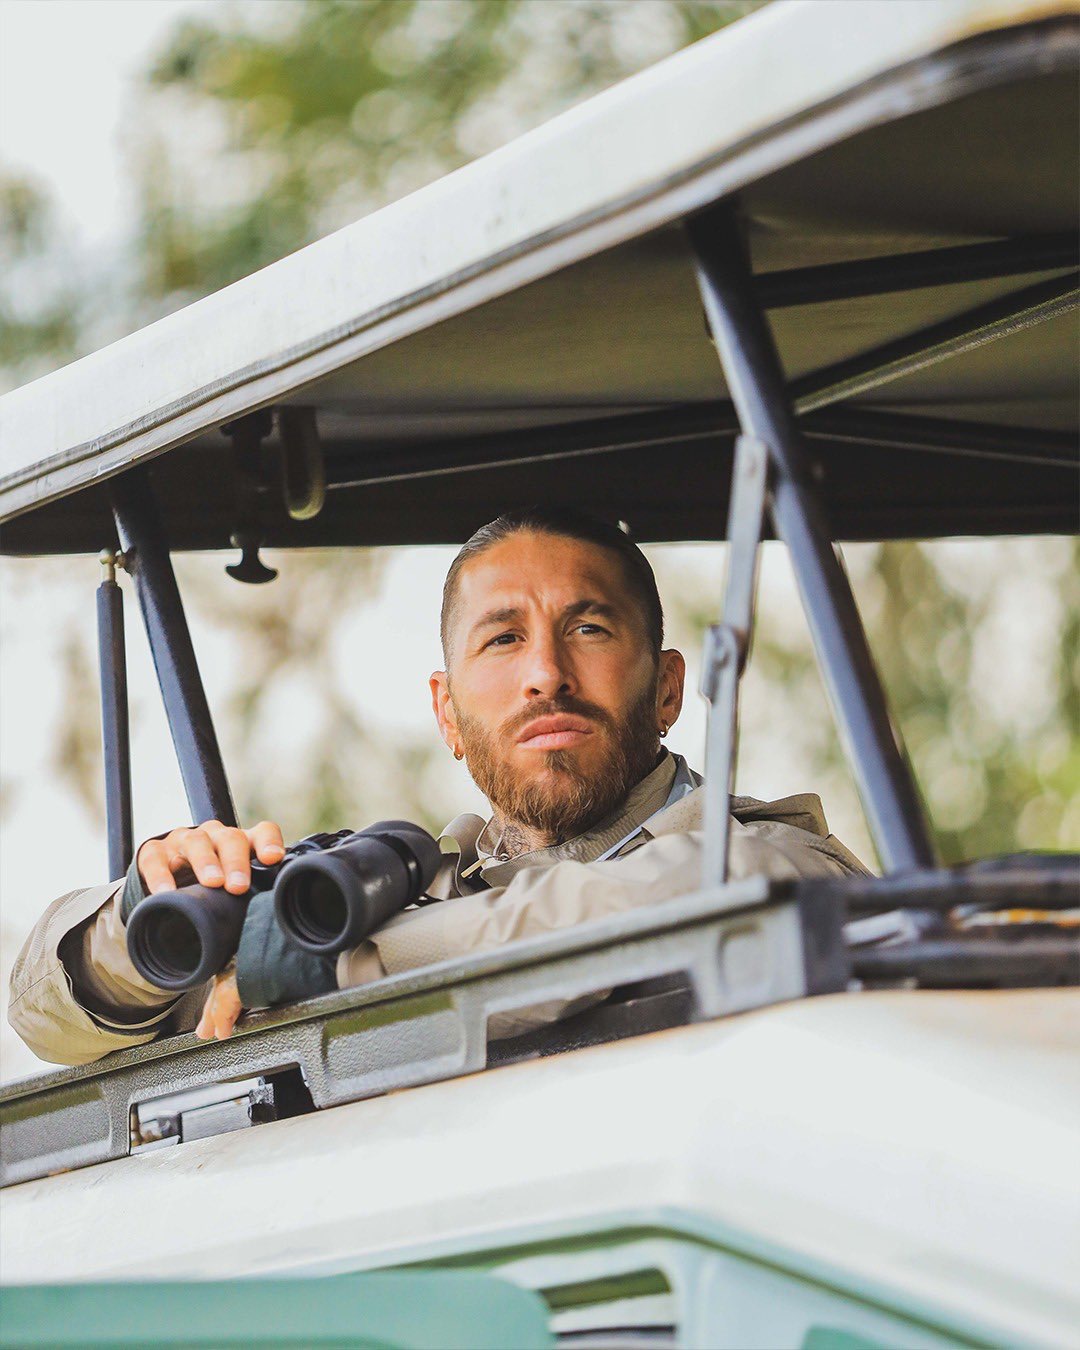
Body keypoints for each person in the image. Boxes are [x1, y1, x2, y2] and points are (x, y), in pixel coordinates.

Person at [8, 508, 866, 1066]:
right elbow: (42, 1019)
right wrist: (145, 920)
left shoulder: (776, 852)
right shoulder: (393, 892)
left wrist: (341, 973)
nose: (546, 674)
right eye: (501, 640)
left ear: (669, 688)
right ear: (447, 714)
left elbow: (686, 896)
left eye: (589, 627)